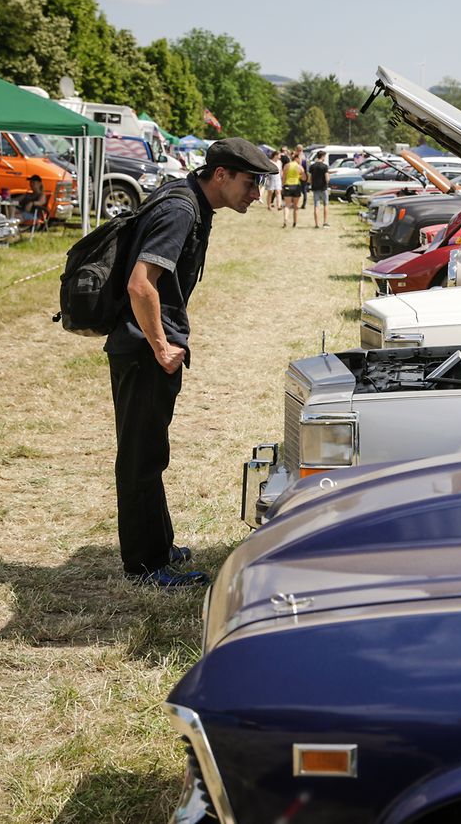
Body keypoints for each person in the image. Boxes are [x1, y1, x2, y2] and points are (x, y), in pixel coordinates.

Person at [105, 137, 277, 588]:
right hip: (144, 351)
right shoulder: (181, 210)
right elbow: (142, 285)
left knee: (150, 451)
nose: (256, 194)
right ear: (220, 175)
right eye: (251, 182)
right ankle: (144, 566)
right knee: (141, 456)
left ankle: (159, 547)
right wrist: (161, 346)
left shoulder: (186, 199)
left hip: (144, 347)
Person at [282, 151, 305, 226]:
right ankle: (295, 222)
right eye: (300, 158)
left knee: (287, 205)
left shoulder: (287, 165)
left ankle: (285, 220)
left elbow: (284, 177)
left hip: (288, 185)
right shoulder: (299, 167)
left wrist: (282, 186)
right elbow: (304, 178)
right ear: (297, 158)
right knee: (296, 206)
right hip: (296, 186)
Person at [309, 150, 330, 228]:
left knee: (316, 206)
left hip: (315, 188)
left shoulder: (312, 166)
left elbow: (310, 179)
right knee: (325, 205)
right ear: (323, 156)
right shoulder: (325, 166)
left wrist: (312, 184)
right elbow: (327, 178)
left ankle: (316, 224)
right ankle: (325, 222)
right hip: (323, 188)